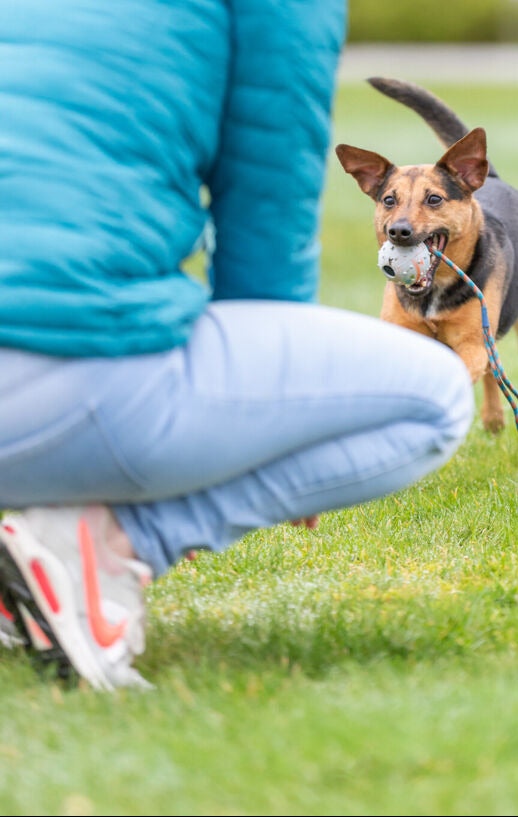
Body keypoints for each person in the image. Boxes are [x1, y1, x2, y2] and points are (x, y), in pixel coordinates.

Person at [0, 0, 473, 689]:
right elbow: (264, 216)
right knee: (436, 396)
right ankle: (96, 551)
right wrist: (282, 419)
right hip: (52, 375)